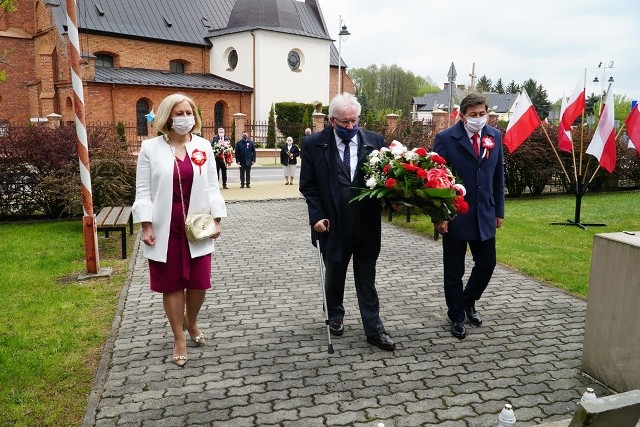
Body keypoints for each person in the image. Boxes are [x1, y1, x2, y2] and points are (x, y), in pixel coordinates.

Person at [132, 93, 227, 366]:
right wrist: (146, 225)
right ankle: (179, 337)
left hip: (197, 224)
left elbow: (211, 185)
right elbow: (143, 190)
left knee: (199, 281)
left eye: (189, 112)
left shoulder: (204, 146)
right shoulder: (151, 148)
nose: (185, 118)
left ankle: (192, 322)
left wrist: (217, 218)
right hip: (166, 225)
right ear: (166, 117)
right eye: (179, 113)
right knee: (172, 283)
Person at [299, 92, 396, 351]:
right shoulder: (313, 144)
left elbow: (387, 180)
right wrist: (316, 216)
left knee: (367, 279)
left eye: (354, 121)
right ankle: (335, 315)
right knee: (335, 276)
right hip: (332, 224)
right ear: (332, 121)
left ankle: (374, 330)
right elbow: (308, 186)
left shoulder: (374, 142)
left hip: (366, 225)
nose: (351, 127)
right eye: (344, 123)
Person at [432, 93, 505, 339]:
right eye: (472, 115)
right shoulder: (445, 138)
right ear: (462, 116)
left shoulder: (495, 137)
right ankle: (455, 316)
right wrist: (439, 215)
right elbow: (436, 179)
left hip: (485, 212)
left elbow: (498, 176)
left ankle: (467, 300)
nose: (478, 118)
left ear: (487, 113)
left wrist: (499, 210)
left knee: (487, 264)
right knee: (454, 271)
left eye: (481, 113)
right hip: (455, 214)